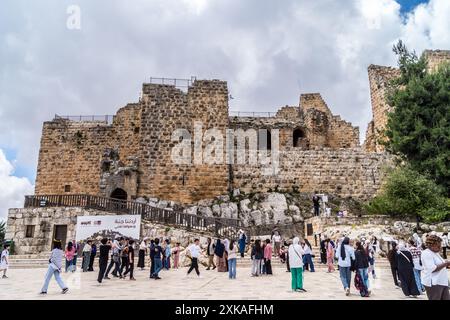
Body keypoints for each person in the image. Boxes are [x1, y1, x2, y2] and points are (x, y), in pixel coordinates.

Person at [421, 235, 450, 300]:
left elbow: (440, 263)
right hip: (434, 283)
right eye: (438, 246)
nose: (440, 248)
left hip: (442, 281)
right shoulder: (426, 253)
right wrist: (446, 263)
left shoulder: (435, 252)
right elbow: (432, 268)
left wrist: (446, 263)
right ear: (430, 245)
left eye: (440, 245)